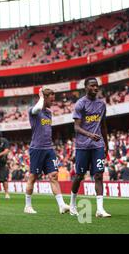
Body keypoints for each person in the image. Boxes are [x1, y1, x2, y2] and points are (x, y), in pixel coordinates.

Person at [70, 77, 111, 218]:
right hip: (82, 146)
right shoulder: (80, 104)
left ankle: (100, 209)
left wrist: (106, 144)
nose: (95, 88)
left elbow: (103, 126)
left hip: (97, 145)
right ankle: (73, 204)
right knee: (79, 176)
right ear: (86, 87)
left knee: (98, 175)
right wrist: (89, 135)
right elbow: (76, 127)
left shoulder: (102, 105)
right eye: (92, 85)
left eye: (97, 85)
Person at [25, 88, 70, 214]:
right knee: (33, 177)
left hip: (49, 148)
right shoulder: (33, 111)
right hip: (37, 149)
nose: (53, 101)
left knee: (54, 176)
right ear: (44, 98)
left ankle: (61, 205)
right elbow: (38, 108)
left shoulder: (49, 113)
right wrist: (41, 97)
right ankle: (27, 206)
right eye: (51, 98)